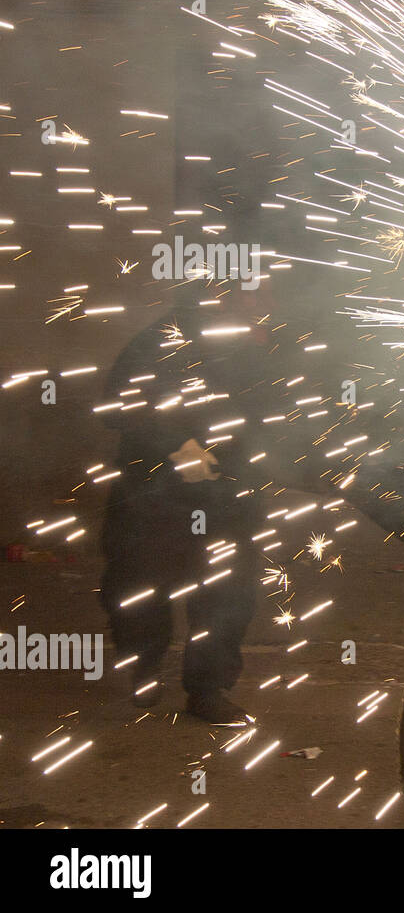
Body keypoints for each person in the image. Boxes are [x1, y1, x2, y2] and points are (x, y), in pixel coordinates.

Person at [98, 280, 270, 725]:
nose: (254, 304)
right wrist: (176, 445)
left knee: (227, 591)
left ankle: (208, 689)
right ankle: (143, 666)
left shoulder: (250, 346)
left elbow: (271, 411)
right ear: (218, 297)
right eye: (245, 295)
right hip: (155, 492)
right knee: (142, 587)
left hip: (226, 492)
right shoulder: (159, 342)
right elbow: (119, 405)